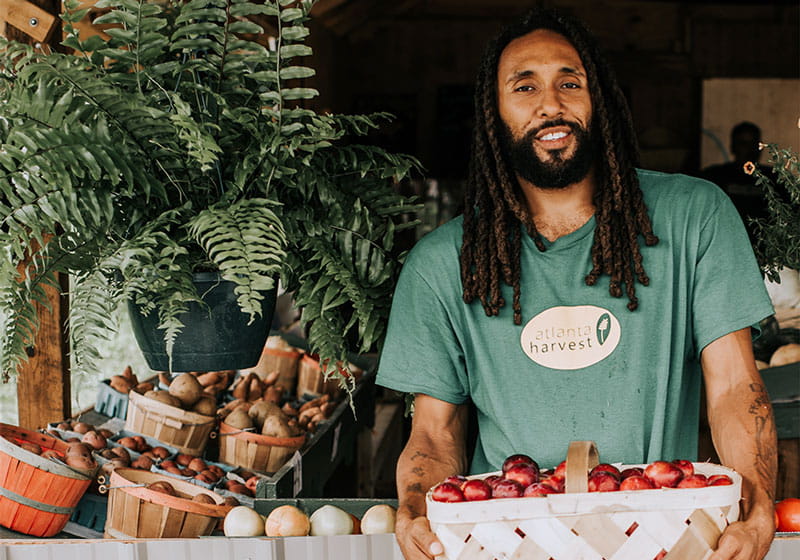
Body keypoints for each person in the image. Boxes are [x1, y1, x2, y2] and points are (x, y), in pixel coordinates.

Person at [375, 6, 778, 560]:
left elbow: (735, 386)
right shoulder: (441, 265)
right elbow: (435, 432)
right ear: (493, 113)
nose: (551, 103)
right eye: (524, 86)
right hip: (506, 546)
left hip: (665, 541)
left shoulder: (694, 217)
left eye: (570, 82)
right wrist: (418, 509)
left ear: (600, 100)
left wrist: (756, 508)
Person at [702, 121, 776, 243]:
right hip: (725, 243)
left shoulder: (774, 178)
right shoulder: (715, 176)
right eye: (743, 144)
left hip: (766, 246)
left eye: (754, 144)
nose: (749, 149)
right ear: (733, 147)